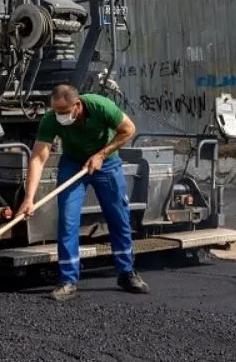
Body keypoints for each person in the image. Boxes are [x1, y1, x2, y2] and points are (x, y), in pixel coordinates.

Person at [20, 84, 150, 301]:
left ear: (77, 105)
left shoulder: (101, 107)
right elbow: (38, 157)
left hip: (107, 163)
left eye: (63, 112)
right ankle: (68, 281)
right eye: (56, 112)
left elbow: (128, 129)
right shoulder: (51, 119)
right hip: (72, 164)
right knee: (68, 221)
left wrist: (101, 155)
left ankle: (126, 273)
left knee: (119, 218)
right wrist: (28, 198)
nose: (59, 116)